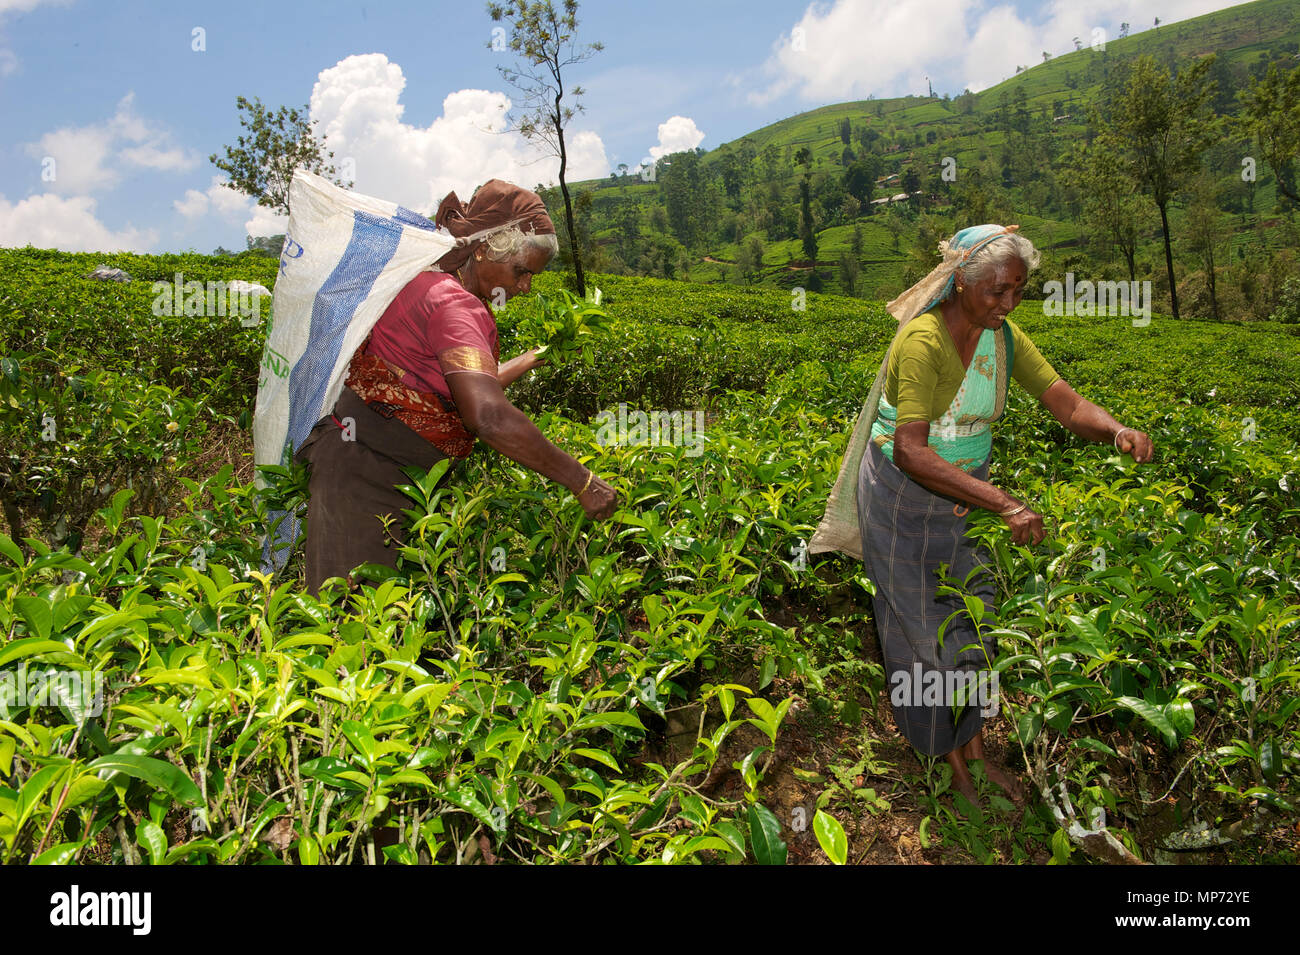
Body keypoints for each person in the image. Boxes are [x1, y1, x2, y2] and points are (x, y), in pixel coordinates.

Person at [822, 224, 1154, 807]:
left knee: (972, 624)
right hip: (904, 498)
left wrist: (1117, 429)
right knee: (922, 636)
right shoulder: (923, 340)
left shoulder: (1002, 337)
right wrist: (1004, 503)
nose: (1008, 303)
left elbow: (1067, 402)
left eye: (1018, 291)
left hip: (966, 495)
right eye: (998, 291)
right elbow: (911, 450)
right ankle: (951, 765)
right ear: (960, 281)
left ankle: (975, 747)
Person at [296, 180, 619, 596]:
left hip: (384, 472)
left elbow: (460, 388)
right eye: (522, 272)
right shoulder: (453, 304)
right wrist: (582, 480)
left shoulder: (432, 285)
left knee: (386, 622)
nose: (525, 288)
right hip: (369, 478)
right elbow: (486, 414)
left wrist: (538, 355)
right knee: (350, 625)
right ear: (484, 249)